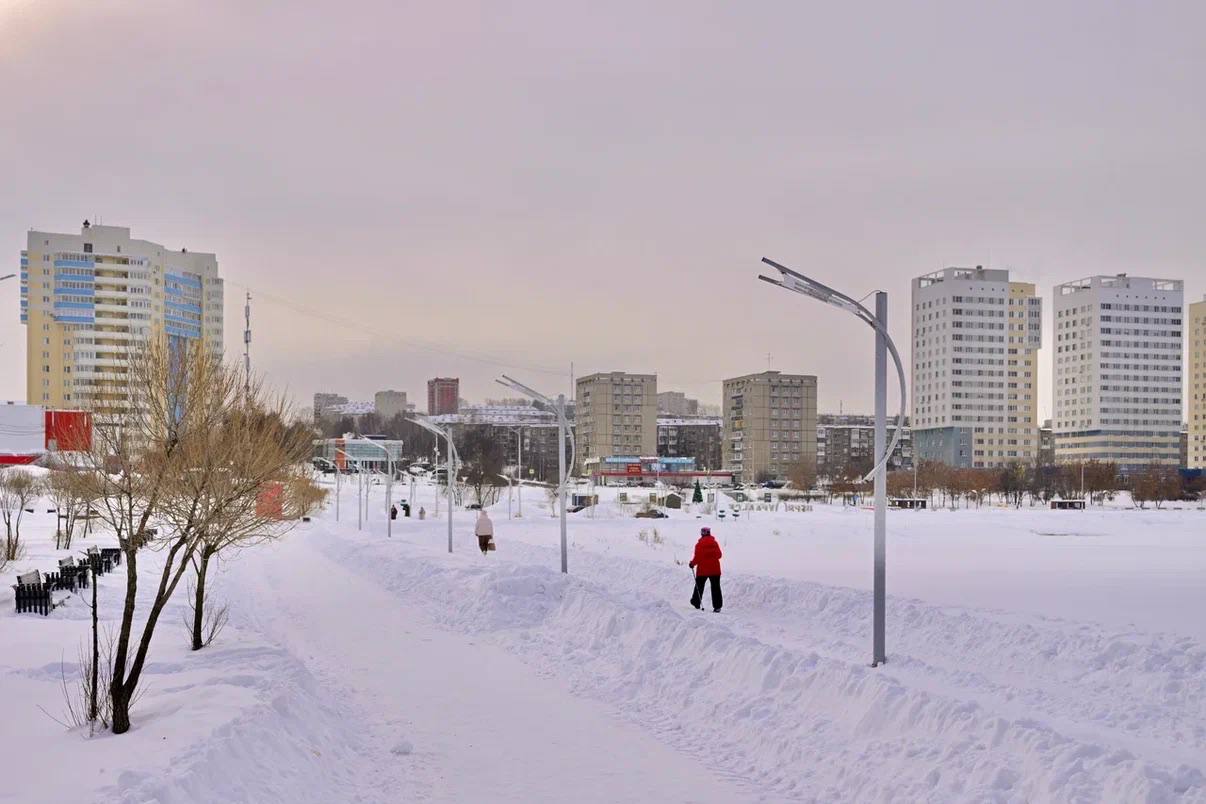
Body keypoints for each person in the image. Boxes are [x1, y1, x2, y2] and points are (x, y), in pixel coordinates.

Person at [689, 526, 723, 612]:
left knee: (699, 586)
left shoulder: (699, 544)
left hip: (703, 570)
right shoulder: (715, 543)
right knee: (716, 588)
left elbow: (697, 557)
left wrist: (692, 564)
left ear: (702, 534)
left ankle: (696, 602)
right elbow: (719, 555)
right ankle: (717, 606)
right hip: (715, 570)